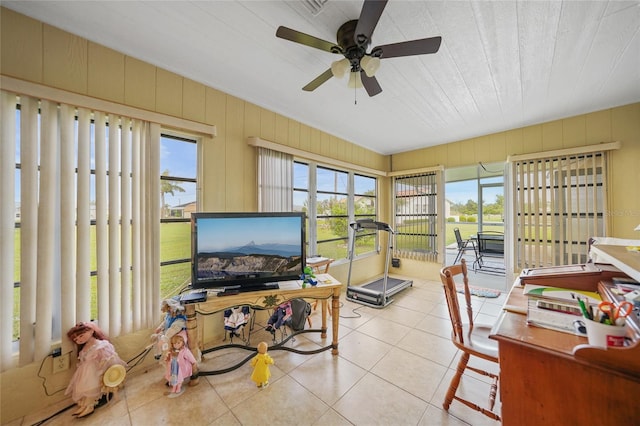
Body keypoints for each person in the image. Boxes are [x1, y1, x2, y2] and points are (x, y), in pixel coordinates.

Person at [65, 322, 127, 418]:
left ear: (91, 331)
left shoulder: (101, 345)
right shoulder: (85, 347)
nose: (79, 340)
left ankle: (89, 406)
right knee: (84, 388)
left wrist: (102, 370)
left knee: (92, 388)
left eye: (81, 336)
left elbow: (108, 359)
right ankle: (84, 405)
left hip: (96, 372)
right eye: (76, 339)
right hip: (86, 372)